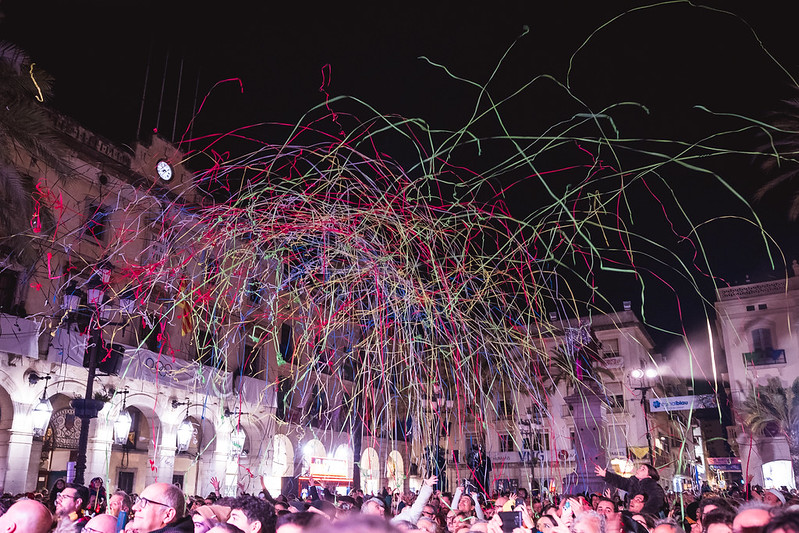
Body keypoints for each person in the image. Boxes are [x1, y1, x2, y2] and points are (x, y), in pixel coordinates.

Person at [595, 464, 665, 517]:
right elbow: (620, 481)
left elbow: (655, 502)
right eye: (639, 468)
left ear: (649, 476)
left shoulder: (653, 486)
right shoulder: (633, 483)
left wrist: (643, 514)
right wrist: (606, 475)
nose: (638, 470)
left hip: (647, 519)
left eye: (643, 469)